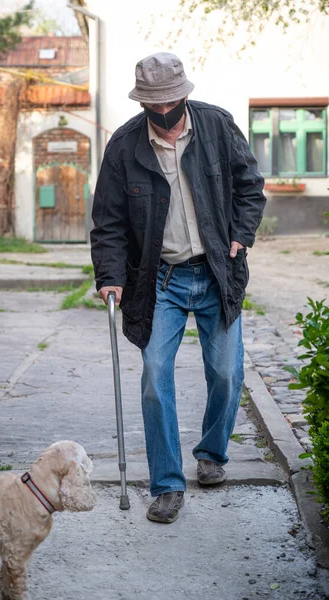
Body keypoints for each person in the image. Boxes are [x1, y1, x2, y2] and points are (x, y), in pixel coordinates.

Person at [90, 52, 266, 524]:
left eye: (171, 101)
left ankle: (212, 453)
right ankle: (166, 485)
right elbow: (107, 221)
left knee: (227, 373)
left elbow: (251, 186)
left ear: (185, 95)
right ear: (144, 103)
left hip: (216, 271)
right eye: (154, 104)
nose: (164, 113)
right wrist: (110, 276)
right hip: (159, 279)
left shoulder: (216, 126)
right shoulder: (125, 146)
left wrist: (239, 235)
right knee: (154, 376)